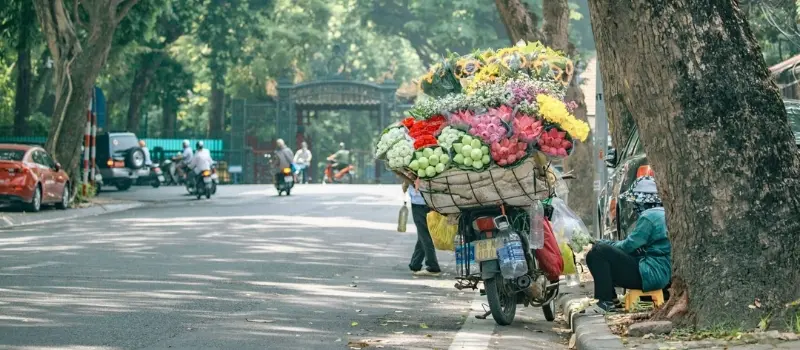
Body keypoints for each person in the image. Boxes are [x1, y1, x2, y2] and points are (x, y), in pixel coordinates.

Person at [586, 176, 671, 311]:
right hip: (662, 274)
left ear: (642, 202)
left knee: (598, 251)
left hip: (650, 274)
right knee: (593, 254)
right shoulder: (665, 213)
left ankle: (605, 302)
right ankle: (612, 299)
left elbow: (628, 246)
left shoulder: (649, 217)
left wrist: (604, 243)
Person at [405, 181, 441, 277]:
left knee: (424, 234)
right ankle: (415, 264)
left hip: (419, 201)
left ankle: (433, 266)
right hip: (431, 200)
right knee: (422, 233)